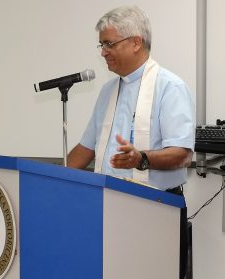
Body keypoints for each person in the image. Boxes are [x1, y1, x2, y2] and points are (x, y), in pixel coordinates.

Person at [67, 5, 195, 279]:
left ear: (136, 42)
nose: (103, 52)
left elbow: (183, 154)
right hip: (109, 205)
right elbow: (85, 148)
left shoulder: (169, 87)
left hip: (156, 208)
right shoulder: (107, 91)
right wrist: (54, 178)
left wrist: (142, 159)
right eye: (101, 45)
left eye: (109, 44)